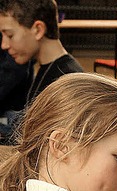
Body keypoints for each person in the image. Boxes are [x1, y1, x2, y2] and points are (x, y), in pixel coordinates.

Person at [0, 0, 82, 143]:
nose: (4, 45)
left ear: (38, 30)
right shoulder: (48, 69)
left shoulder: (65, 81)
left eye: (10, 35)